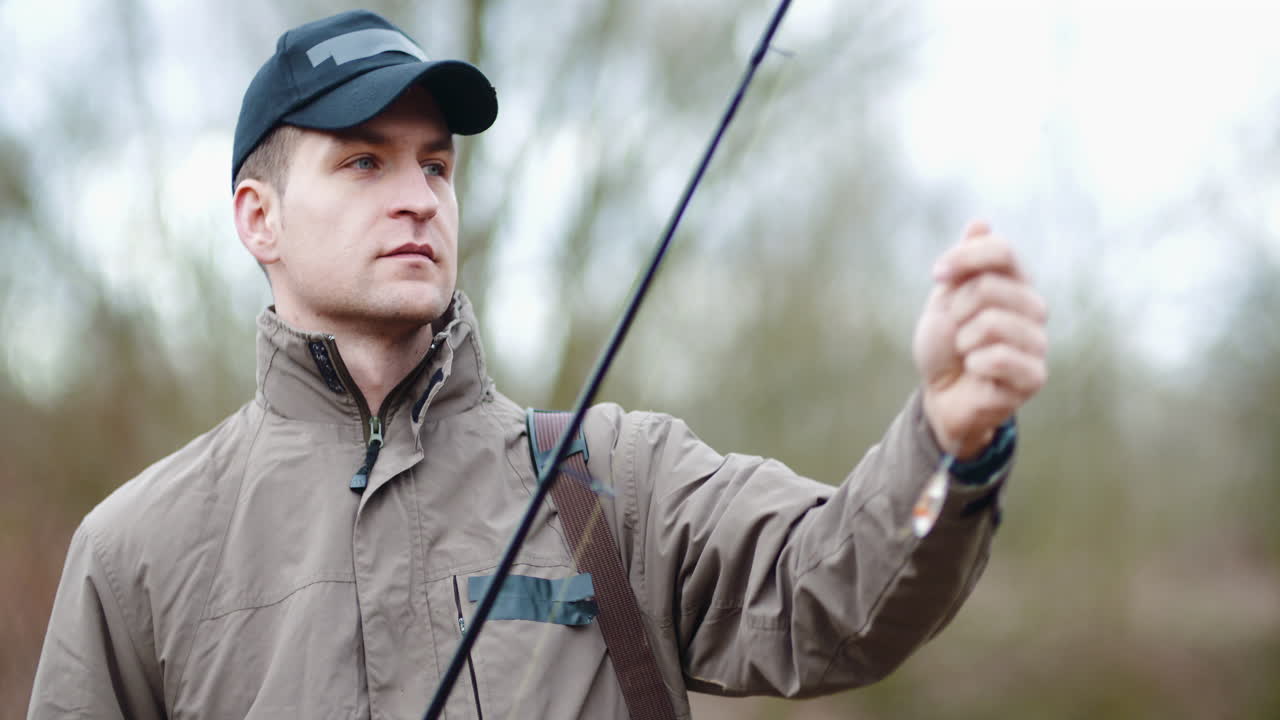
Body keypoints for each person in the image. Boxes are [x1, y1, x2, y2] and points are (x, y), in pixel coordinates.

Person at [28, 9, 1048, 720]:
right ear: (259, 219)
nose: (418, 196)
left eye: (435, 164)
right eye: (363, 161)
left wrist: (946, 438)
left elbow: (835, 596)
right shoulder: (135, 550)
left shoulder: (616, 481)